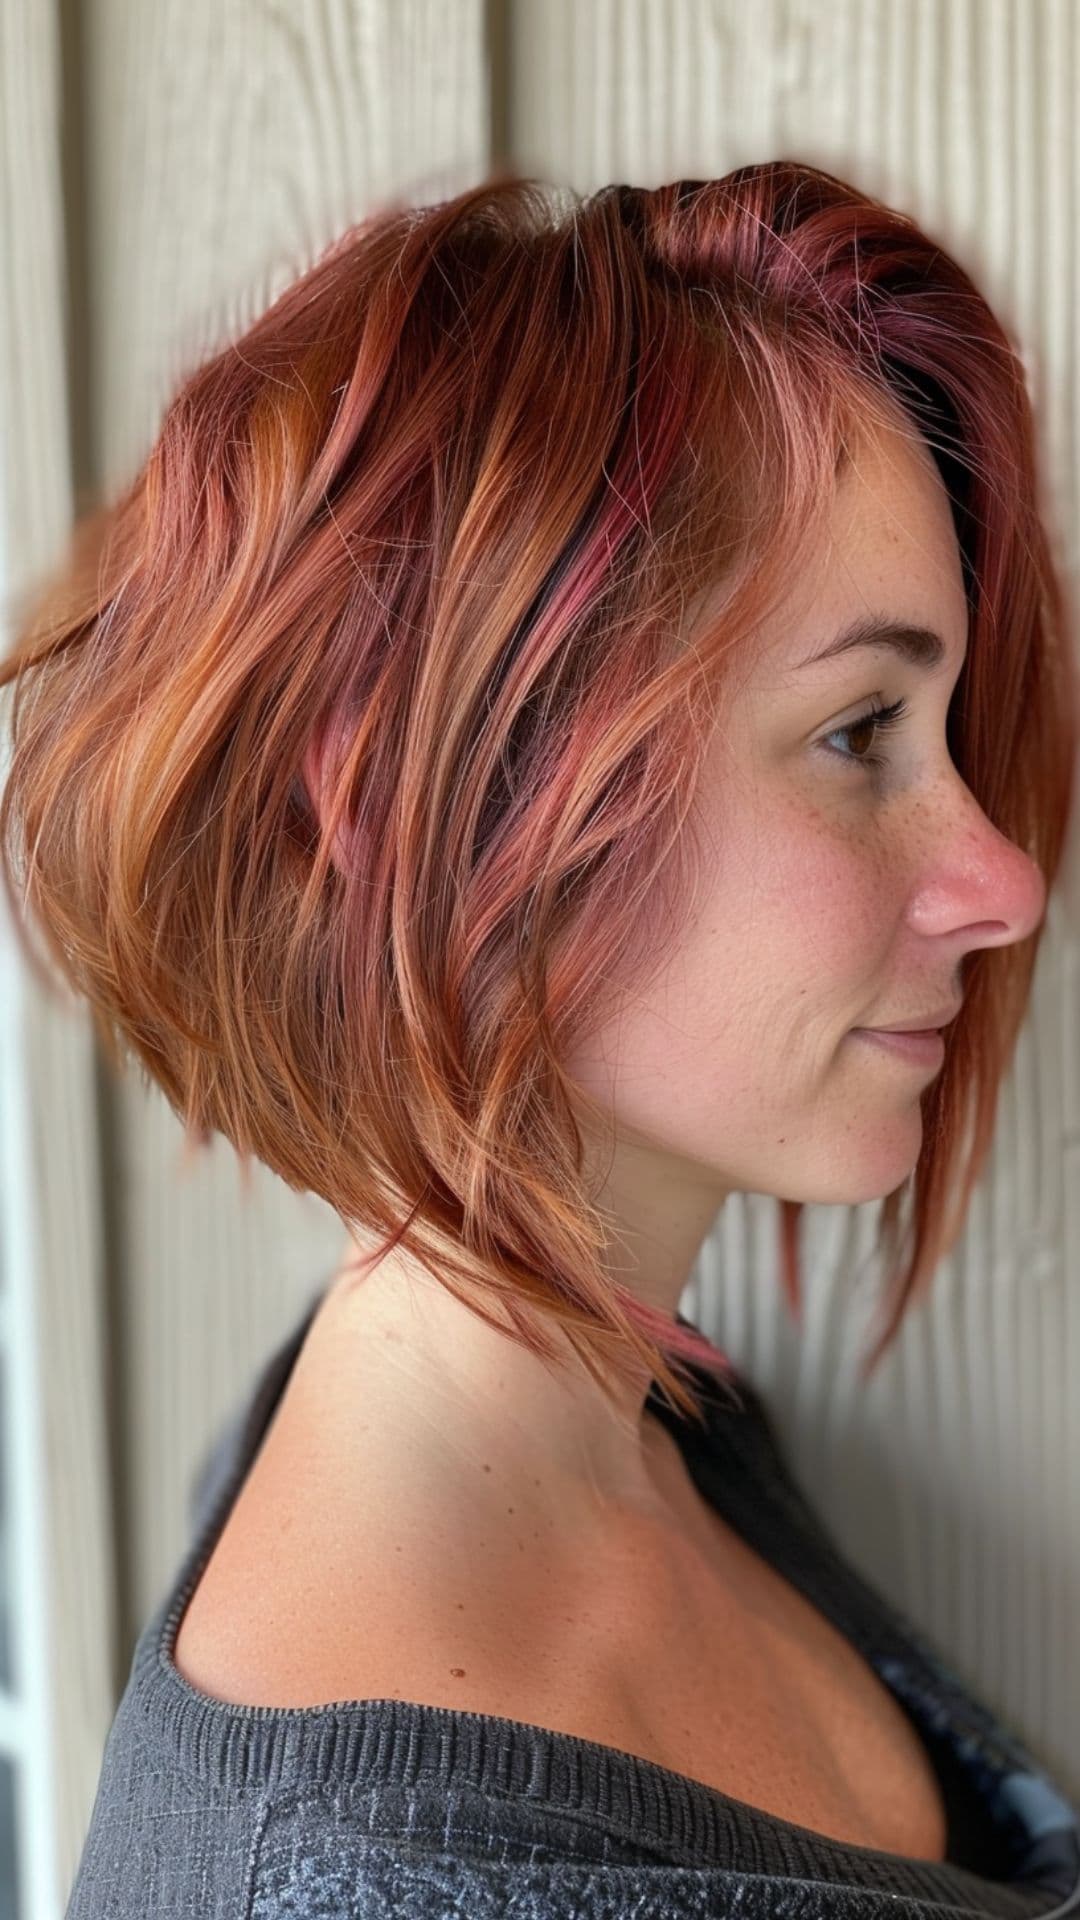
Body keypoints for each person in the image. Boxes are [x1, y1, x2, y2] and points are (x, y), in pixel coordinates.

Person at [3, 162, 1079, 1916]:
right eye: (857, 732)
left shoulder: (624, 1413)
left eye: (941, 726)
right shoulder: (380, 1881)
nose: (1003, 881)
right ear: (405, 800)